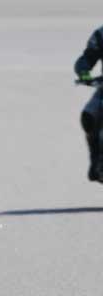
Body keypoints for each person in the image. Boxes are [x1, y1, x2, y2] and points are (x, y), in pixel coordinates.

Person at [76, 26, 103, 181]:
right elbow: (87, 58)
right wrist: (84, 72)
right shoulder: (101, 34)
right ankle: (95, 157)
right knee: (89, 116)